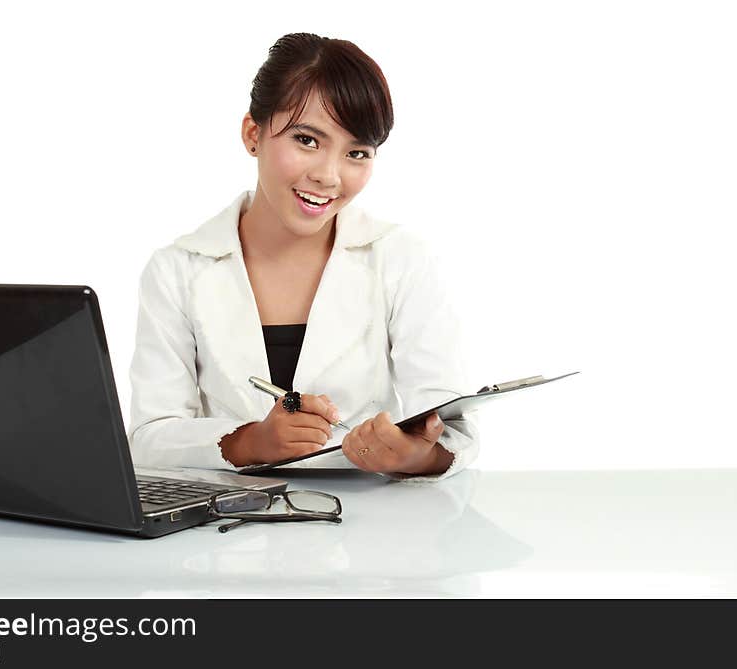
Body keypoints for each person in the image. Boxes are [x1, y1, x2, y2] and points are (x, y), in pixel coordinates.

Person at [128, 32, 479, 482]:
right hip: (229, 534)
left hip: (373, 532)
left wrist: (411, 457)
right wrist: (249, 442)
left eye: (356, 153)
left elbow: (453, 429)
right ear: (253, 134)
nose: (329, 176)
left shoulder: (400, 258)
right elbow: (150, 436)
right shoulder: (177, 269)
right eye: (307, 140)